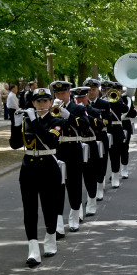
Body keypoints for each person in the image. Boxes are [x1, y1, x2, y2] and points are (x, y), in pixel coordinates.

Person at [9, 88, 65, 267]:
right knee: (29, 209)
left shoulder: (57, 121)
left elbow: (50, 140)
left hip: (48, 166)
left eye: (45, 101)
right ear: (32, 103)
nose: (42, 104)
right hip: (28, 168)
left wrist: (33, 120)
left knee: (49, 206)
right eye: (38, 101)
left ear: (50, 103)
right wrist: (16, 124)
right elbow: (15, 144)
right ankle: (33, 248)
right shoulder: (26, 120)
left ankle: (50, 238)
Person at [50, 80, 90, 235]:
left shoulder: (78, 108)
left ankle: (74, 215)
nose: (60, 96)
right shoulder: (51, 108)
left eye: (63, 93)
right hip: (57, 150)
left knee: (74, 184)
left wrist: (69, 116)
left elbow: (85, 126)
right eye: (58, 93)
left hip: (73, 149)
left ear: (69, 93)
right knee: (57, 187)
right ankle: (59, 222)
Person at [72, 86, 105, 216]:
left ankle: (91, 201)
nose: (80, 100)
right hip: (76, 145)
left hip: (90, 144)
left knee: (90, 176)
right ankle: (78, 207)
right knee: (76, 179)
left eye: (82, 98)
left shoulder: (94, 111)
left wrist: (84, 114)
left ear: (87, 97)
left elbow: (100, 125)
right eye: (77, 98)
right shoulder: (69, 112)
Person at [84, 78, 111, 201]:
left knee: (102, 161)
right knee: (88, 165)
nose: (91, 92)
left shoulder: (104, 104)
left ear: (97, 90)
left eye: (93, 89)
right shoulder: (82, 104)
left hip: (100, 135)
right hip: (86, 137)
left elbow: (107, 121)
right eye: (89, 90)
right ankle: (92, 187)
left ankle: (100, 184)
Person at [114, 82, 137, 179]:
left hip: (125, 125)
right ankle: (114, 172)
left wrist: (127, 110)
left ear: (121, 90)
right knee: (114, 150)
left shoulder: (125, 99)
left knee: (124, 148)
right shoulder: (109, 100)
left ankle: (124, 169)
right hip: (114, 126)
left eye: (118, 90)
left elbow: (133, 113)